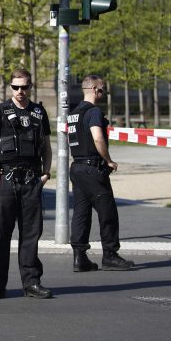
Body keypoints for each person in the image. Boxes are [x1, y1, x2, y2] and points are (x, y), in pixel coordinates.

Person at [0, 69, 53, 299]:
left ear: (31, 87)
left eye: (25, 87)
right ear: (10, 87)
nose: (20, 92)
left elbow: (46, 146)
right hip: (7, 179)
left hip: (32, 180)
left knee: (31, 234)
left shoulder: (39, 112)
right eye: (16, 87)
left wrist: (46, 174)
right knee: (2, 235)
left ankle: (31, 283)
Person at [67, 74, 134, 271]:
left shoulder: (73, 113)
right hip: (92, 168)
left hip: (77, 168)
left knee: (81, 212)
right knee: (108, 212)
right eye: (103, 89)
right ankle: (110, 255)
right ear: (95, 89)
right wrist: (109, 160)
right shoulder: (94, 111)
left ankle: (80, 258)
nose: (103, 93)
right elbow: (97, 138)